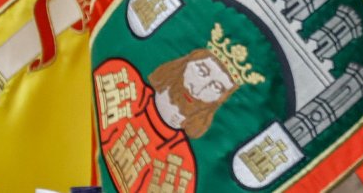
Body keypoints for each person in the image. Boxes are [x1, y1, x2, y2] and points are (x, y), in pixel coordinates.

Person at [93, 27, 257, 193]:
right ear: (185, 63)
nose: (197, 90)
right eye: (202, 71)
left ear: (219, 100)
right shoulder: (120, 78)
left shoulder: (182, 168)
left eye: (216, 87)